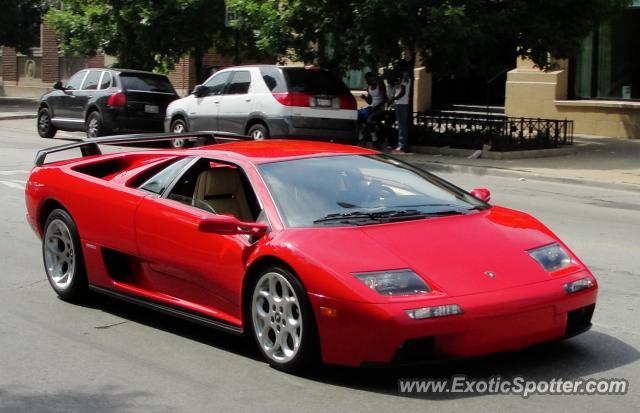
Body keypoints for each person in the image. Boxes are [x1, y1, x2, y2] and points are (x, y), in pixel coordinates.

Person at [362, 72, 388, 146]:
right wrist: (365, 98)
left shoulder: (380, 85)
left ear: (373, 79)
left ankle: (375, 139)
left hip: (381, 109)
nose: (367, 82)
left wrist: (377, 107)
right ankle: (370, 140)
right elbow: (370, 102)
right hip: (373, 108)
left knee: (370, 119)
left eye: (369, 81)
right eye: (366, 81)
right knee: (364, 119)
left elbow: (385, 99)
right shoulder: (369, 88)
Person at [389, 71, 411, 154]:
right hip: (400, 104)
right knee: (401, 125)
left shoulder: (405, 79)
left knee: (402, 126)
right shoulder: (403, 79)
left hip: (402, 104)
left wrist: (393, 99)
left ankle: (402, 147)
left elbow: (402, 92)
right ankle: (401, 145)